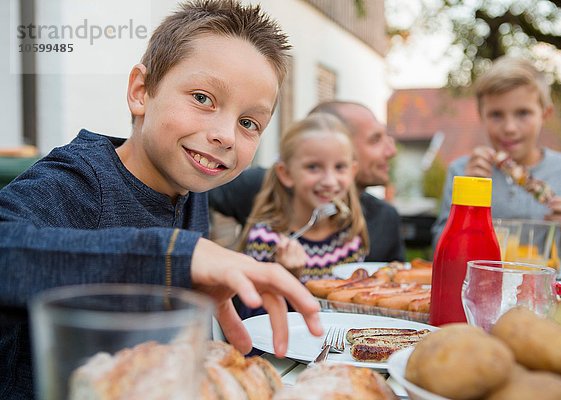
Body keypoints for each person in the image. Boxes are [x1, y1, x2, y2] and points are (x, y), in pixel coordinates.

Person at [0, 1, 323, 397]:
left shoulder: (188, 190)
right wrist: (174, 256)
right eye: (203, 98)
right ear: (141, 92)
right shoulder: (79, 181)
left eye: (248, 123)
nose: (226, 134)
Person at [432, 56, 561, 246]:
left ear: (545, 115)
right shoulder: (462, 172)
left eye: (523, 113)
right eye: (496, 115)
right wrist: (468, 199)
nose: (510, 128)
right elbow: (440, 249)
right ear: (481, 116)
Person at [210, 100, 406, 262]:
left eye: (340, 167)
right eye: (375, 139)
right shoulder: (260, 189)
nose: (392, 151)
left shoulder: (378, 222)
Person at [241, 113, 369, 282]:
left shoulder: (350, 238)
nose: (329, 181)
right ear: (286, 173)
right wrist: (286, 277)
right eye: (313, 167)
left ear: (352, 172)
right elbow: (253, 307)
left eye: (340, 167)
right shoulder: (266, 239)